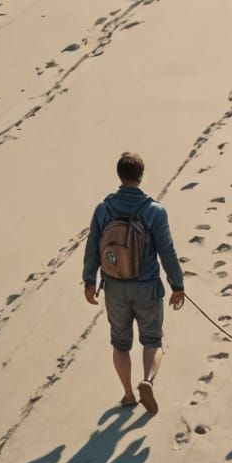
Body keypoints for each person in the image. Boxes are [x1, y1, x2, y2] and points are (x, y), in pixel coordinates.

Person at [83, 151, 185, 415]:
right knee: (152, 341)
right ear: (141, 176)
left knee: (120, 344)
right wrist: (177, 285)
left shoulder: (103, 209)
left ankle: (128, 394)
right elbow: (167, 251)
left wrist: (89, 281)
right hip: (147, 286)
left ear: (119, 175)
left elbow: (93, 247)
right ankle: (147, 381)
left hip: (114, 287)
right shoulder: (153, 212)